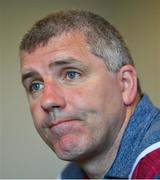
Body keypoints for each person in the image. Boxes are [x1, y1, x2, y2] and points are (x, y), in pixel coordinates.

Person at [19, 10, 160, 179]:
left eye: (71, 74)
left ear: (125, 84)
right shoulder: (69, 176)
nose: (48, 100)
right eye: (36, 85)